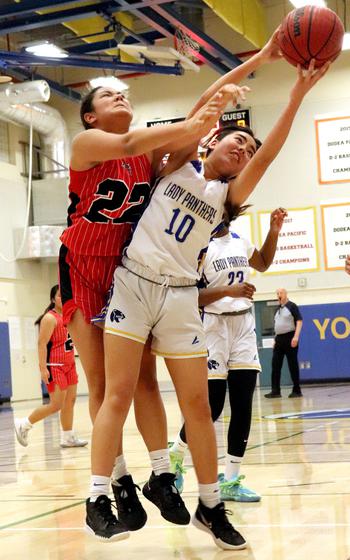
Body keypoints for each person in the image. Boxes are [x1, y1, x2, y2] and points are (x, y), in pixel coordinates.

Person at [87, 59, 330, 549]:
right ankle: (99, 496)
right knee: (118, 393)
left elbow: (271, 153)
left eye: (247, 150)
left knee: (199, 407)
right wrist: (238, 82)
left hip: (180, 296)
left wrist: (298, 93)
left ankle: (211, 505)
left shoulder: (227, 197)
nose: (242, 148)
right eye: (235, 140)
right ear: (213, 140)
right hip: (132, 282)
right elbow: (200, 108)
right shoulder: (178, 162)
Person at [60, 28, 285, 534]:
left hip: (126, 268)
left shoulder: (155, 162)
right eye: (108, 94)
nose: (122, 95)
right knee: (102, 385)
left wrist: (262, 59)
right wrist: (200, 122)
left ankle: (161, 474)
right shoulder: (94, 141)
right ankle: (115, 482)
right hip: (81, 265)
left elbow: (202, 106)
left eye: (125, 92)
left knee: (141, 380)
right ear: (91, 114)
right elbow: (141, 136)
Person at [170, 207, 287, 502]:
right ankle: (177, 452)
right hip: (213, 327)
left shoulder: (238, 239)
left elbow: (263, 263)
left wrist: (274, 231)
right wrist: (228, 291)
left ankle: (231, 480)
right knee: (213, 405)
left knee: (244, 403)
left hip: (244, 325)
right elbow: (193, 296)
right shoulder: (199, 248)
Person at [14, 285, 88, 448]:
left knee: (70, 400)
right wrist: (42, 368)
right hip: (55, 366)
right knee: (56, 404)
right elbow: (41, 343)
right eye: (60, 296)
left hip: (70, 364)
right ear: (53, 299)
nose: (63, 298)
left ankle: (67, 437)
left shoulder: (71, 316)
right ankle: (24, 423)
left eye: (65, 295)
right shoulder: (49, 318)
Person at [264, 288, 303, 398]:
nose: (279, 295)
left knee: (292, 365)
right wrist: (275, 339)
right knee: (275, 365)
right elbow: (278, 325)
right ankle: (275, 390)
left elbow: (299, 321)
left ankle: (297, 390)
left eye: (281, 293)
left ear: (286, 294)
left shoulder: (292, 306)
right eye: (277, 293)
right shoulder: (278, 309)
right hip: (279, 340)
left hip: (290, 337)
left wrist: (296, 337)